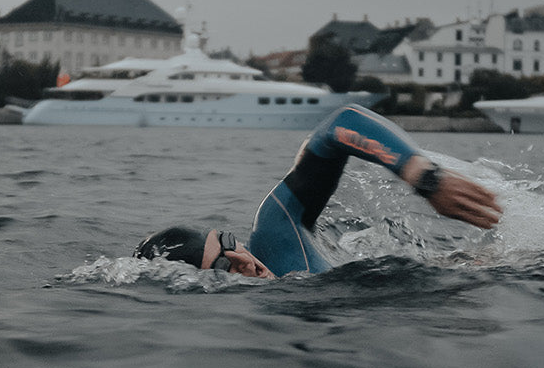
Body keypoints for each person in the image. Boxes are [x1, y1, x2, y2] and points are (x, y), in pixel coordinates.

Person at [135, 105, 502, 277]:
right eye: (221, 268)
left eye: (228, 244)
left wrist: (424, 177)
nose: (243, 261)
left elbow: (340, 123)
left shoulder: (274, 235)